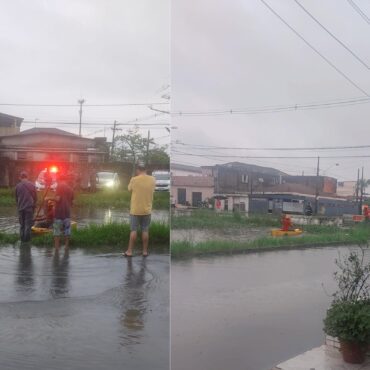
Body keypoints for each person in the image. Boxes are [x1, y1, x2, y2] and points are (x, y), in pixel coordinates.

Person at [123, 162, 155, 257]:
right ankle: (145, 251)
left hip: (135, 210)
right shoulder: (153, 179)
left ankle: (129, 251)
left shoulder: (134, 179)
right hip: (147, 210)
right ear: (146, 169)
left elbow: (129, 189)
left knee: (133, 230)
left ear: (138, 170)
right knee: (145, 230)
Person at [53, 173, 74, 250]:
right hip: (67, 213)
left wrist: (49, 198)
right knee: (67, 230)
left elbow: (58, 199)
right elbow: (72, 203)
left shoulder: (59, 186)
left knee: (56, 231)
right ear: (66, 180)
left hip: (58, 213)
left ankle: (57, 248)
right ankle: (66, 247)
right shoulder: (71, 189)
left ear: (59, 179)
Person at [15, 171, 37, 243]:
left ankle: (22, 240)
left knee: (22, 225)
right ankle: (27, 242)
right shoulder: (32, 185)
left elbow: (16, 198)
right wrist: (34, 206)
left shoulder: (17, 186)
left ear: (20, 177)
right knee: (28, 225)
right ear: (27, 177)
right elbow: (35, 198)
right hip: (29, 208)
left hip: (21, 208)